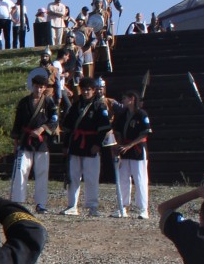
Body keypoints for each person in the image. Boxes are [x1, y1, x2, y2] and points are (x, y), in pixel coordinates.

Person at [60, 77, 112, 216]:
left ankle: (92, 206)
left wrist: (97, 144)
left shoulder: (99, 106)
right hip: (76, 144)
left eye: (88, 90)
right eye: (83, 89)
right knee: (73, 176)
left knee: (91, 177)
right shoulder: (76, 106)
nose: (85, 92)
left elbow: (103, 128)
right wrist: (66, 145)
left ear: (94, 91)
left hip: (91, 144)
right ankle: (72, 205)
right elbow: (68, 128)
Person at [9, 75, 57, 214]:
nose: (39, 89)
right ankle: (18, 201)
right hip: (25, 141)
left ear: (45, 88)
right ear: (33, 86)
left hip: (41, 143)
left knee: (41, 173)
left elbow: (54, 121)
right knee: (21, 171)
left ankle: (41, 203)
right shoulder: (24, 102)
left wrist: (42, 129)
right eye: (37, 86)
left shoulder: (49, 103)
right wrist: (16, 142)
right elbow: (17, 124)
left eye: (42, 87)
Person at [113, 90, 151, 219]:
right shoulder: (122, 114)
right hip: (124, 149)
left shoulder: (141, 114)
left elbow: (145, 133)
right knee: (123, 178)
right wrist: (118, 145)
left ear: (132, 99)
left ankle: (143, 209)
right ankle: (122, 207)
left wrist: (130, 145)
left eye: (124, 98)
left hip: (137, 149)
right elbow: (117, 131)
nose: (123, 101)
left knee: (140, 179)